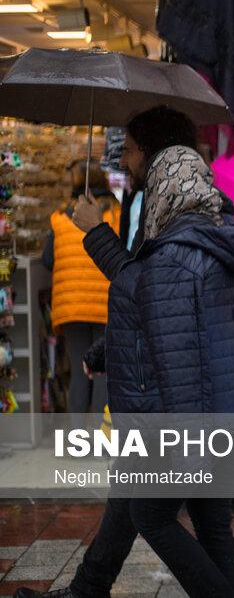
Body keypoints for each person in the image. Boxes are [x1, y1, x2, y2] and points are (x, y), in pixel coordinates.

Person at [17, 106, 234, 598]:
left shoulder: (179, 245)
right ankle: (91, 586)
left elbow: (152, 300)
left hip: (180, 412)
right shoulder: (215, 235)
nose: (123, 162)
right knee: (204, 516)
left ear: (159, 166)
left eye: (127, 150)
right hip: (212, 409)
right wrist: (111, 347)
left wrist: (96, 234)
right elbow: (165, 315)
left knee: (151, 511)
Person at [42, 159, 121, 428]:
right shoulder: (114, 212)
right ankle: (102, 437)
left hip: (71, 306)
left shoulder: (60, 216)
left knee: (79, 369)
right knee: (102, 371)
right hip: (104, 305)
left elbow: (48, 259)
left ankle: (77, 436)